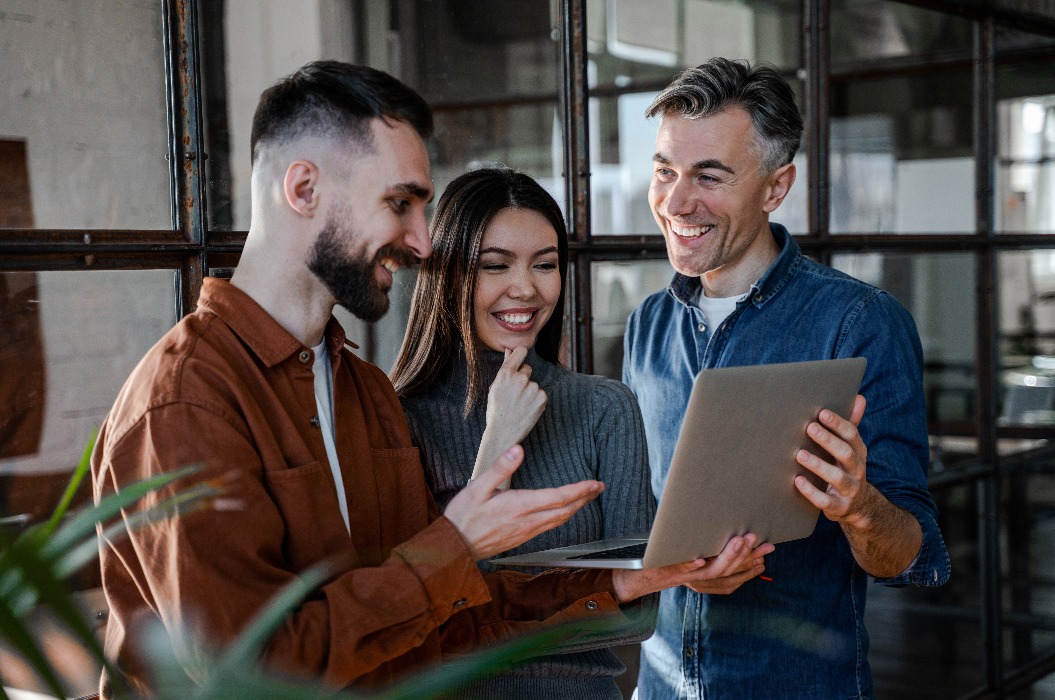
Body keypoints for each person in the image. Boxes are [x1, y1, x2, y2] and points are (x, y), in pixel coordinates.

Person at [90, 61, 768, 698]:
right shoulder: (185, 402)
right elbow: (248, 673)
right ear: (302, 190)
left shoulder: (362, 392)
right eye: (400, 203)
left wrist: (625, 584)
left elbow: (438, 615)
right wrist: (459, 539)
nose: (422, 242)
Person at [623, 57, 952, 699]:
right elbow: (645, 524)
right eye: (665, 171)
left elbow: (909, 553)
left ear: (776, 188)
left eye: (708, 176)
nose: (676, 201)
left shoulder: (860, 324)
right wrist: (676, 568)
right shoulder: (647, 325)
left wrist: (859, 507)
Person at [392, 167, 662, 699]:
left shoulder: (605, 408)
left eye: (545, 265)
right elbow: (420, 616)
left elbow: (638, 614)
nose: (526, 288)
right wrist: (498, 443)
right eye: (495, 266)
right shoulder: (399, 418)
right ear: (449, 275)